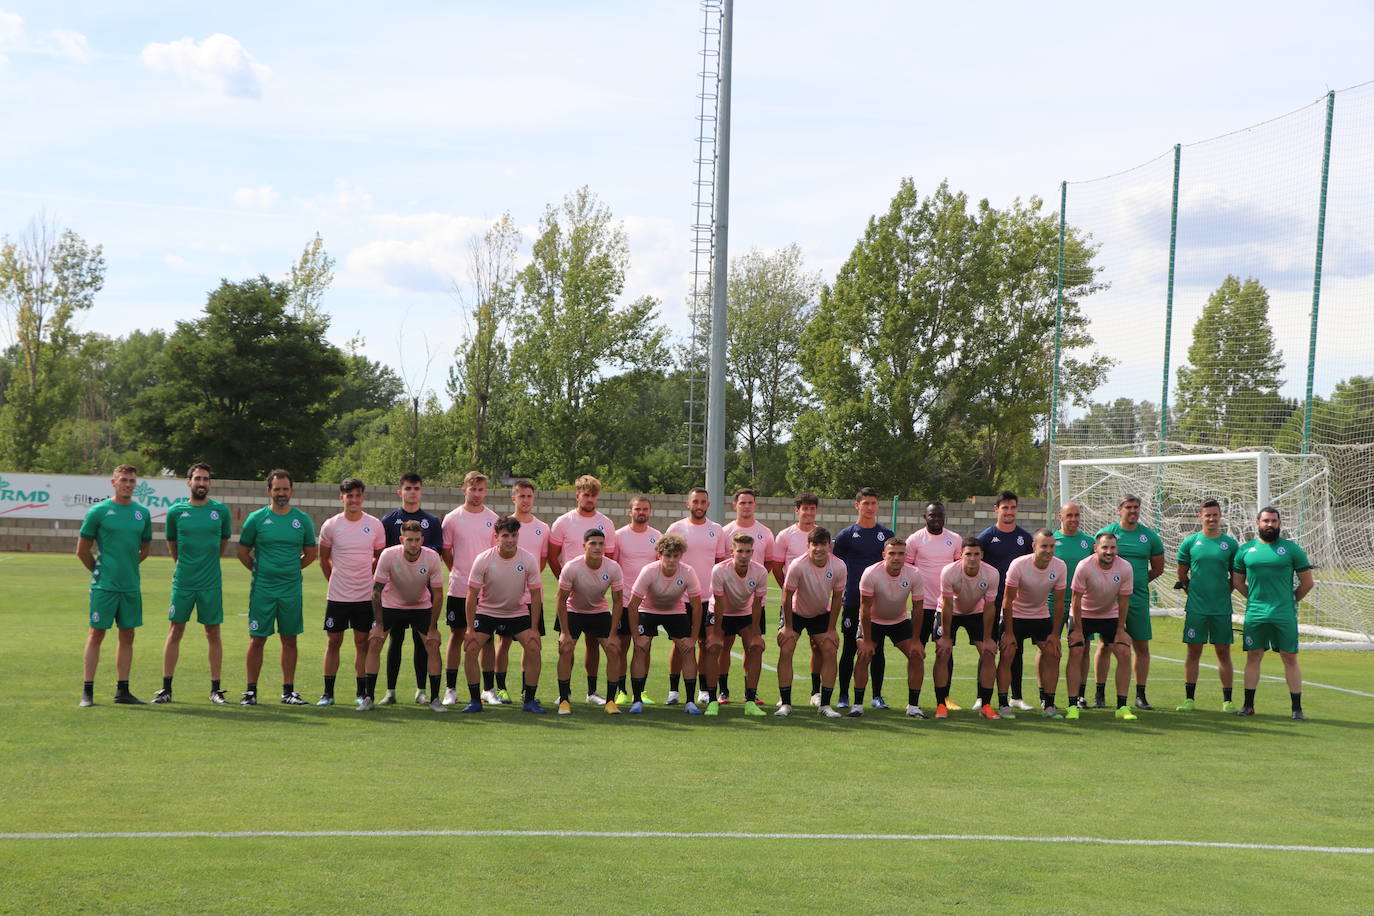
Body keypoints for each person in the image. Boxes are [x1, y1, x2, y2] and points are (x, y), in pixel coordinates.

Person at [236, 469, 317, 706]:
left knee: (289, 639)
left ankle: (288, 691)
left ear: (291, 490)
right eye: (277, 489)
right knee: (257, 639)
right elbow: (242, 551)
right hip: (263, 589)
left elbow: (311, 553)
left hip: (290, 589)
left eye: (285, 489)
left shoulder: (301, 519)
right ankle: (251, 691)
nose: (281, 493)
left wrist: (290, 570)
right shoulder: (256, 519)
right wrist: (260, 570)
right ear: (269, 490)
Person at [154, 462, 231, 705]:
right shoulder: (176, 512)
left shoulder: (221, 511)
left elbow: (222, 544)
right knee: (175, 630)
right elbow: (173, 547)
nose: (201, 483)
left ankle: (216, 690)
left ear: (210, 483)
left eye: (206, 479)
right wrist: (186, 566)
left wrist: (206, 565)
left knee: (213, 633)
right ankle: (166, 689)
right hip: (184, 583)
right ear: (189, 482)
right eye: (197, 479)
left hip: (210, 583)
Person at [77, 464, 153, 706]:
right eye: (123, 480)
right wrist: (101, 571)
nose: (128, 485)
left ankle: (123, 690)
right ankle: (87, 691)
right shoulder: (98, 511)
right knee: (96, 634)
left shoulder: (142, 513)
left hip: (130, 586)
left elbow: (144, 549)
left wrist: (127, 568)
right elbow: (82, 550)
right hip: (104, 586)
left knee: (128, 636)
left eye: (132, 481)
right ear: (113, 482)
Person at [1232, 507, 1314, 719]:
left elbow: (1307, 583)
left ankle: (1297, 709)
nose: (1270, 525)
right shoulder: (1245, 550)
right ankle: (1248, 706)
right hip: (1256, 614)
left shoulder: (1291, 549)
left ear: (1280, 523)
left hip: (1283, 614)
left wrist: (1290, 600)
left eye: (1274, 521)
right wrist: (1254, 599)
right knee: (1254, 656)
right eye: (1266, 521)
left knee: (1289, 657)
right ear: (1257, 523)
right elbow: (1237, 581)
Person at [358, 521, 446, 712]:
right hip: (392, 604)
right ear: (401, 539)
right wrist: (378, 625)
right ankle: (368, 697)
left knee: (432, 644)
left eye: (417, 540)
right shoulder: (389, 555)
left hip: (420, 605)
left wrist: (433, 628)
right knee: (375, 641)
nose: (414, 544)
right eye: (409, 540)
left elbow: (438, 594)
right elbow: (376, 591)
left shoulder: (431, 557)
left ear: (422, 539)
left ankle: (435, 699)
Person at [461, 515, 545, 713]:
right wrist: (469, 629)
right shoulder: (484, 559)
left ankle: (530, 701)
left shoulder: (528, 559)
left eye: (514, 535)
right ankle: (475, 701)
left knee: (534, 648)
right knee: (471, 648)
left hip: (517, 612)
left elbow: (535, 595)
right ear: (496, 536)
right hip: (487, 611)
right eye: (505, 535)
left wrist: (534, 629)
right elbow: (471, 595)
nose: (510, 540)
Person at [548, 475, 619, 706]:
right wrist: (567, 582)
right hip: (571, 593)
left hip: (596, 598)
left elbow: (608, 557)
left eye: (593, 495)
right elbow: (552, 555)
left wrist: (595, 582)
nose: (589, 499)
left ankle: (592, 692)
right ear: (578, 494)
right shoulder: (563, 522)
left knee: (595, 644)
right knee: (567, 644)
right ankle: (564, 694)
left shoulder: (606, 523)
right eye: (585, 494)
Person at [315, 478, 385, 706]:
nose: (353, 500)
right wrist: (335, 579)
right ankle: (327, 693)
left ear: (362, 498)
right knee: (333, 642)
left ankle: (361, 692)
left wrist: (367, 577)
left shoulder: (374, 525)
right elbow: (323, 559)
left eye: (357, 495)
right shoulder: (331, 525)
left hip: (364, 596)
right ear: (341, 497)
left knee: (362, 642)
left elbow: (379, 558)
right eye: (349, 495)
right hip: (337, 596)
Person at [379, 473, 444, 705]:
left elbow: (437, 551)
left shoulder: (432, 521)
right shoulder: (388, 520)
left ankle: (421, 690)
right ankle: (390, 691)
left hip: (421, 594)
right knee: (394, 641)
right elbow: (383, 553)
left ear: (421, 491)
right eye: (407, 488)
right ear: (400, 492)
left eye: (416, 488)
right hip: (394, 594)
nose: (412, 492)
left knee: (422, 642)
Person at [1096, 494, 1164, 710]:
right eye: (1128, 507)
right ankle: (1099, 694)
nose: (1133, 511)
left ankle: (1140, 695)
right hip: (1110, 599)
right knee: (1105, 645)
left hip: (1138, 599)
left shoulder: (1150, 537)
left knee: (1141, 645)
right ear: (1119, 509)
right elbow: (1096, 563)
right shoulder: (1107, 534)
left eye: (1136, 507)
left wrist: (1137, 582)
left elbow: (1158, 568)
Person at [626, 533, 706, 714]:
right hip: (648, 610)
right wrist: (636, 637)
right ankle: (637, 700)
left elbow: (697, 606)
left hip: (675, 611)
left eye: (675, 556)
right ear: (659, 555)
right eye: (667, 556)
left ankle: (690, 702)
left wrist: (693, 638)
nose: (671, 560)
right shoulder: (649, 570)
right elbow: (632, 606)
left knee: (687, 649)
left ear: (681, 556)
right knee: (640, 649)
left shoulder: (687, 572)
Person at [833, 487, 895, 710]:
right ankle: (843, 696)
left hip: (879, 602)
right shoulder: (846, 536)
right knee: (850, 647)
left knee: (876, 648)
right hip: (853, 601)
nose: (870, 507)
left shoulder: (886, 535)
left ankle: (877, 695)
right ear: (857, 505)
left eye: (873, 503)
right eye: (865, 503)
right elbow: (837, 566)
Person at [1176, 499, 1241, 712]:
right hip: (1196, 609)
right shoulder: (1190, 542)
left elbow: (1236, 576)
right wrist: (1193, 593)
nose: (1211, 518)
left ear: (1220, 516)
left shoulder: (1230, 545)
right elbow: (1182, 573)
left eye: (1215, 515)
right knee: (1193, 652)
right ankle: (1189, 700)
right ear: (1200, 517)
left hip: (1221, 609)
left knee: (1223, 653)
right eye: (1207, 515)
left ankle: (1228, 701)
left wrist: (1223, 593)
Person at [439, 471, 498, 705]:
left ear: (486, 491)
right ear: (464, 490)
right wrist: (459, 572)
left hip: (486, 590)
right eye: (473, 489)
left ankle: (488, 689)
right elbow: (446, 550)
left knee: (488, 638)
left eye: (481, 490)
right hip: (460, 587)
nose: (477, 494)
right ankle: (450, 689)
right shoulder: (453, 518)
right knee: (457, 634)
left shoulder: (493, 518)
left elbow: (495, 553)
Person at [1065, 532, 1136, 721]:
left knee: (1124, 652)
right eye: (1105, 547)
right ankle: (1073, 705)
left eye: (1113, 548)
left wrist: (1121, 630)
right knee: (1076, 652)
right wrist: (1078, 630)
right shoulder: (1084, 566)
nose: (1109, 551)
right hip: (1083, 614)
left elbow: (1124, 601)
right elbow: (1075, 599)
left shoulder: (1125, 568)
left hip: (1109, 614)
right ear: (1096, 548)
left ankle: (1122, 706)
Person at [665, 488, 727, 705]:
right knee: (679, 644)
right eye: (695, 502)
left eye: (703, 502)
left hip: (708, 598)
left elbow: (720, 563)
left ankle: (703, 689)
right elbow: (665, 560)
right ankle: (673, 690)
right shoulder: (676, 528)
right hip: (681, 599)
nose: (699, 506)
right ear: (687, 504)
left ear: (708, 505)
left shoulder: (717, 530)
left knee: (705, 644)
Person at [853, 538, 927, 718]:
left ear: (906, 556)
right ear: (884, 555)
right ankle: (857, 706)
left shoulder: (914, 574)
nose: (896, 557)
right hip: (873, 621)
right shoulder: (871, 573)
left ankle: (913, 707)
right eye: (892, 553)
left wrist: (916, 641)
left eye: (901, 553)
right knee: (863, 655)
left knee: (917, 655)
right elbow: (865, 608)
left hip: (899, 621)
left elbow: (918, 608)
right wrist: (868, 641)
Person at [776, 527, 846, 718]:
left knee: (831, 649)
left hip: (820, 613)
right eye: (815, 544)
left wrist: (832, 629)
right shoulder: (798, 565)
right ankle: (785, 703)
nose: (819, 549)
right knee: (787, 647)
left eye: (823, 544)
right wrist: (788, 627)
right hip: (796, 612)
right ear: (808, 546)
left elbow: (838, 598)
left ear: (829, 546)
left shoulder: (839, 566)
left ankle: (825, 705)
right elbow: (787, 595)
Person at [555, 529, 625, 715]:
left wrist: (612, 634)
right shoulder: (572, 567)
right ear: (584, 545)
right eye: (593, 543)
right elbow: (560, 599)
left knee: (613, 648)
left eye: (601, 544)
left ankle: (610, 702)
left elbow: (618, 601)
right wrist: (564, 632)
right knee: (566, 648)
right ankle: (563, 700)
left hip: (599, 611)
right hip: (574, 610)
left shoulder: (613, 568)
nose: (597, 547)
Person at [1000, 530, 1068, 718]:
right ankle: (1003, 704)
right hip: (1016, 615)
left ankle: (1049, 705)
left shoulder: (1060, 566)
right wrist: (1009, 632)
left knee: (1053, 654)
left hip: (1040, 615)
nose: (1048, 550)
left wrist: (1055, 634)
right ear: (1034, 546)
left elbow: (1060, 602)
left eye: (1052, 546)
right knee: (1008, 653)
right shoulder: (1019, 565)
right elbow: (1008, 600)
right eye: (1044, 546)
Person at [976, 490, 1033, 710]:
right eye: (1005, 507)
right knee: (988, 649)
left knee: (1015, 649)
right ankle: (982, 697)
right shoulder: (986, 537)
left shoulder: (1025, 538)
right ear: (996, 509)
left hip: (1016, 605)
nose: (1009, 512)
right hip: (990, 602)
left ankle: (1016, 697)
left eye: (1012, 507)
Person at [904, 502, 962, 710]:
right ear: (924, 517)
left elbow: (959, 571)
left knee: (945, 651)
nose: (936, 518)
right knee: (916, 652)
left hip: (945, 607)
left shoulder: (954, 539)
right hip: (922, 606)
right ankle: (913, 700)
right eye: (932, 515)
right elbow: (908, 571)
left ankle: (944, 699)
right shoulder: (914, 540)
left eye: (939, 515)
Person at [719, 488, 775, 705]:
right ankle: (723, 692)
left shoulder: (765, 532)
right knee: (723, 646)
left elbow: (769, 563)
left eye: (750, 502)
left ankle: (750, 693)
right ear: (735, 506)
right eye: (742, 503)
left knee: (752, 647)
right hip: (727, 603)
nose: (746, 506)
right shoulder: (725, 532)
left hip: (753, 602)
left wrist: (749, 584)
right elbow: (720, 564)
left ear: (755, 505)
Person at [935, 538, 1000, 719]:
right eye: (968, 554)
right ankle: (941, 705)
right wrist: (946, 637)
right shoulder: (949, 572)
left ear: (982, 555)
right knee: (943, 651)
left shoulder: (992, 574)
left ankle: (985, 705)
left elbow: (989, 607)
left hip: (975, 611)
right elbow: (947, 605)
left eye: (976, 554)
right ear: (961, 555)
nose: (972, 558)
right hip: (949, 611)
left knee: (988, 653)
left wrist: (987, 639)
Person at [768, 493, 823, 706]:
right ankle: (784, 696)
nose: (808, 513)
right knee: (787, 646)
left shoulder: (821, 535)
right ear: (797, 511)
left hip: (817, 602)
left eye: (812, 509)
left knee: (818, 646)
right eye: (804, 509)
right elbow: (776, 565)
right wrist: (787, 589)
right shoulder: (785, 535)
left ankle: (816, 692)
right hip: (792, 603)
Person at [500, 478, 550, 704]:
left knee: (531, 642)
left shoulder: (542, 528)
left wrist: (526, 581)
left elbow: (541, 561)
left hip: (530, 596)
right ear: (514, 498)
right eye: (521, 496)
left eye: (529, 496)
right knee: (504, 641)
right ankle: (499, 689)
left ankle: (526, 690)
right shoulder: (504, 525)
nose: (526, 500)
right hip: (505, 596)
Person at [708, 533, 769, 717]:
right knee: (715, 647)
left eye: (748, 551)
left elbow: (758, 604)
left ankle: (750, 700)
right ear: (731, 551)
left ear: (752, 552)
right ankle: (713, 699)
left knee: (756, 647)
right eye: (740, 551)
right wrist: (717, 632)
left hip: (745, 612)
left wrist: (757, 633)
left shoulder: (760, 572)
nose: (744, 555)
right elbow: (718, 602)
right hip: (720, 612)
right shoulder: (719, 570)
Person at [612, 496, 661, 706]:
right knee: (622, 646)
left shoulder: (657, 536)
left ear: (650, 512)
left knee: (644, 647)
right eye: (637, 509)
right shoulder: (619, 536)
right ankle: (621, 690)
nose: (641, 512)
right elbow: (612, 566)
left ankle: (640, 691)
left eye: (645, 509)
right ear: (629, 511)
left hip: (647, 604)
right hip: (624, 601)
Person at [1053, 502, 1094, 708]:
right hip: (1053, 602)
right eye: (1069, 515)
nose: (1073, 519)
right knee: (1049, 648)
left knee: (1082, 649)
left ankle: (1079, 695)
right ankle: (1046, 697)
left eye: (1077, 515)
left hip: (1081, 605)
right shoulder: (1051, 541)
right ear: (1060, 516)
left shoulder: (1089, 542)